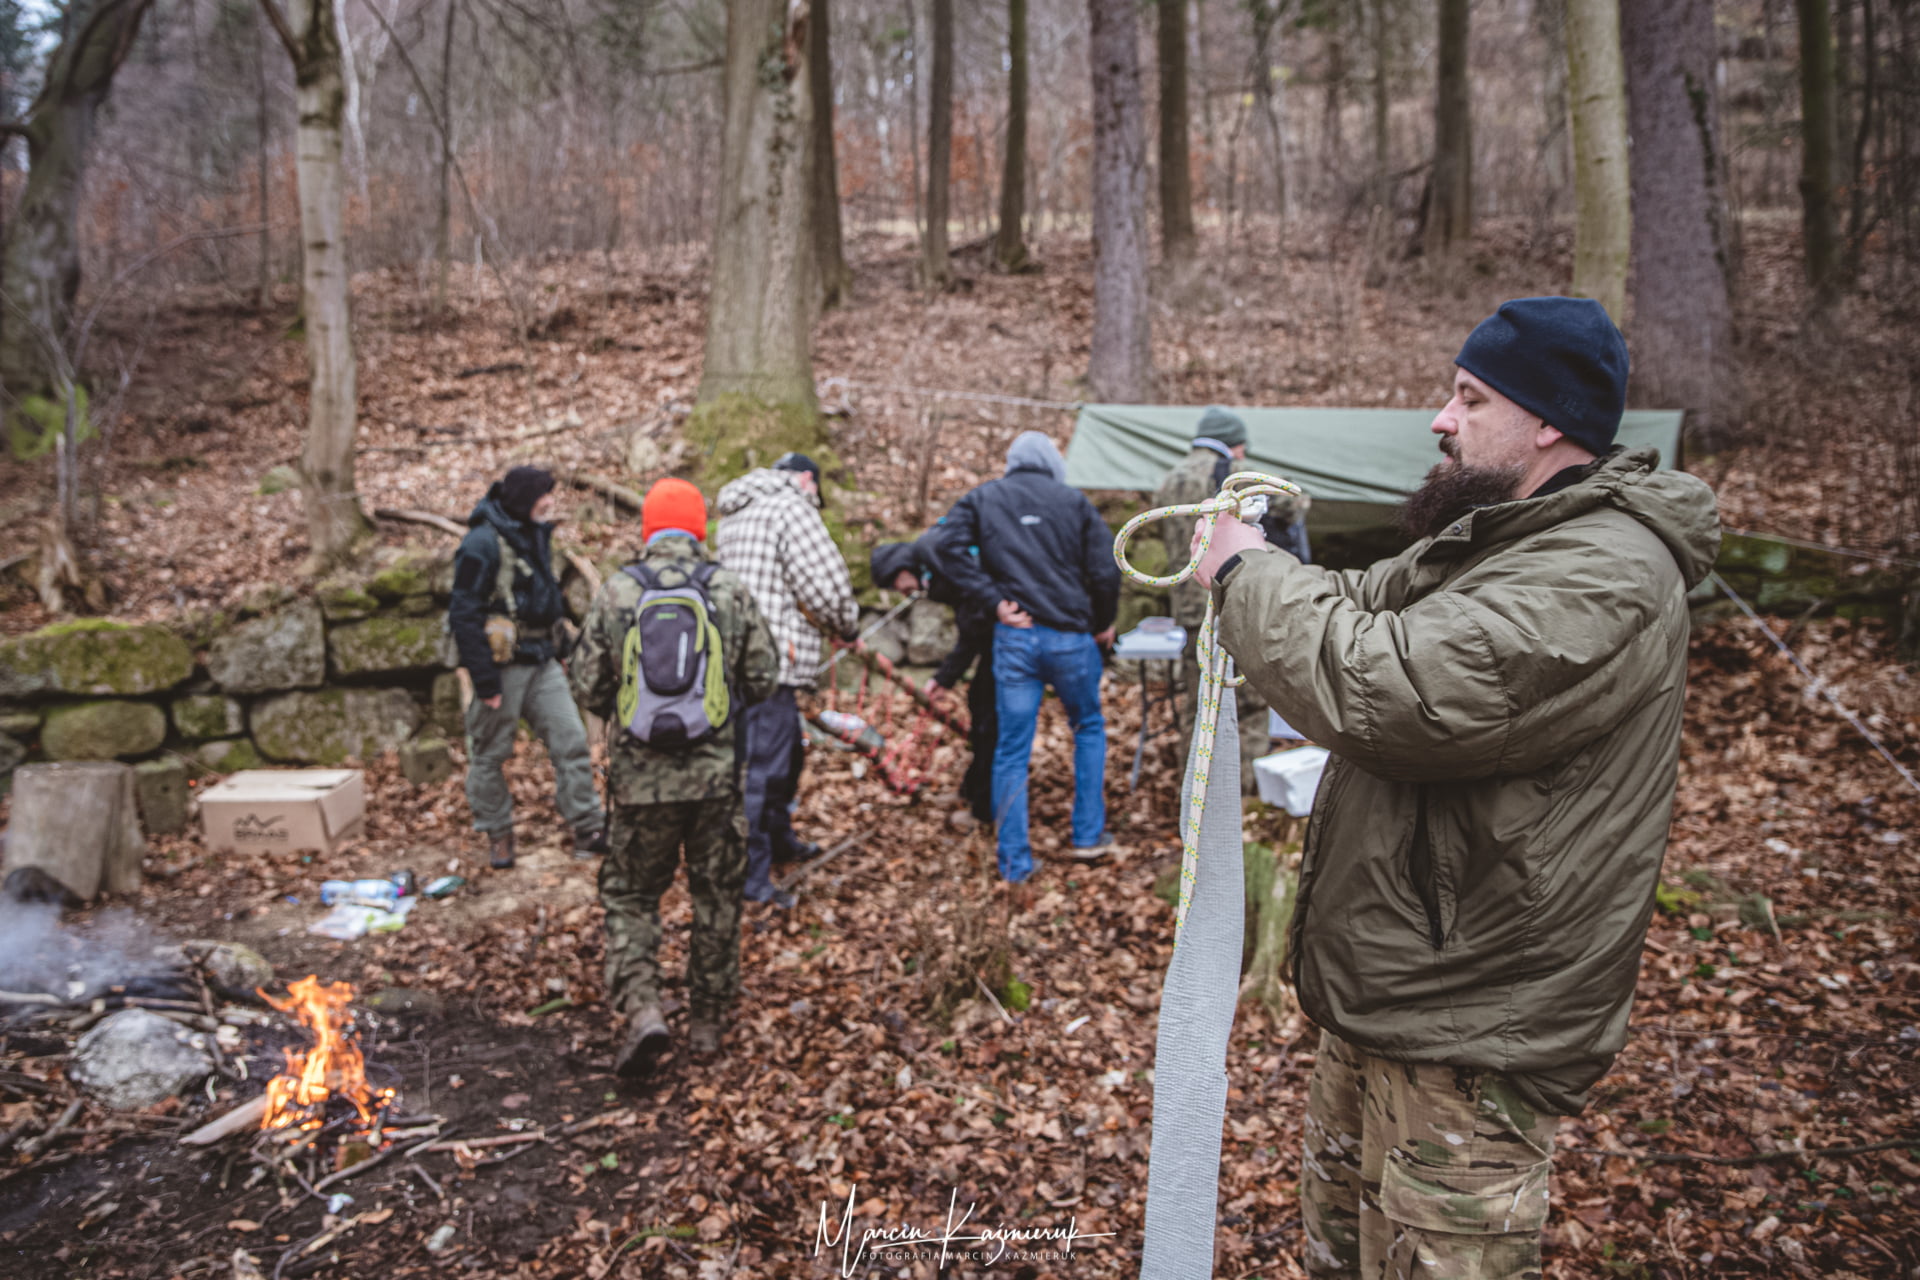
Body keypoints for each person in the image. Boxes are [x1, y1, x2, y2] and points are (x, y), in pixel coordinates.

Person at [1190, 297, 1720, 1279]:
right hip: (1398, 1000)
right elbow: (1355, 604)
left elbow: (1394, 687)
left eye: (1471, 397)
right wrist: (1245, 562)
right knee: (1341, 1258)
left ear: (1550, 419)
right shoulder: (1505, 535)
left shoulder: (1603, 570)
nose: (1442, 416)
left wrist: (1248, 577)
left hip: (1473, 1036)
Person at [570, 478, 779, 1074]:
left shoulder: (617, 593)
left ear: (649, 533)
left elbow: (587, 685)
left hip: (641, 784)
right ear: (699, 531)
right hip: (716, 782)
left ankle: (643, 1010)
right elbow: (765, 679)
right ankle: (708, 1023)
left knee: (633, 894)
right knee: (716, 896)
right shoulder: (728, 590)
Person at [934, 431, 1121, 882]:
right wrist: (1103, 621)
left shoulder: (983, 498)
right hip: (1071, 639)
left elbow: (944, 548)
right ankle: (1087, 836)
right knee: (1089, 727)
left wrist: (995, 601)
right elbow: (1104, 569)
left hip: (1016, 640)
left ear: (1013, 462)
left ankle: (1015, 863)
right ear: (1052, 462)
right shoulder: (1073, 502)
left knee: (1011, 750)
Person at [714, 452, 859, 908]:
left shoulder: (736, 513)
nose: (815, 497)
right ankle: (751, 878)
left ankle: (778, 840)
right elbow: (826, 584)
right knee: (763, 770)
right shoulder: (790, 506)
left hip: (735, 660)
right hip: (771, 663)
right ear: (804, 480)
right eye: (815, 488)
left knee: (784, 755)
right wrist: (846, 625)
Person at [447, 465, 607, 870]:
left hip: (543, 662)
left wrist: (566, 648)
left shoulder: (536, 534)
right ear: (523, 500)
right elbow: (464, 614)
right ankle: (498, 834)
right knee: (489, 754)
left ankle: (589, 827)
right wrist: (484, 680)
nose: (551, 502)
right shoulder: (481, 544)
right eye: (544, 495)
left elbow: (547, 601)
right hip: (501, 670)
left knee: (571, 742)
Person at [1150, 406, 1310, 776]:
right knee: (1250, 705)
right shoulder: (1239, 476)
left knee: (1198, 705)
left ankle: (1193, 798)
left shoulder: (1168, 481)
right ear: (1235, 446)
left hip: (1191, 611)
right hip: (1238, 603)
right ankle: (1242, 799)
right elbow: (1295, 503)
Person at [868, 532, 997, 830]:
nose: (900, 593)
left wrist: (944, 677)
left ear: (901, 571)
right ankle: (971, 791)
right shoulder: (938, 572)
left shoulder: (944, 565)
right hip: (993, 638)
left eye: (893, 585)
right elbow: (971, 629)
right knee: (979, 704)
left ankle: (984, 808)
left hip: (1006, 640)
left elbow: (973, 624)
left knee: (990, 721)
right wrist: (944, 679)